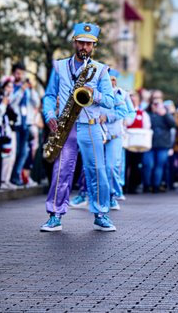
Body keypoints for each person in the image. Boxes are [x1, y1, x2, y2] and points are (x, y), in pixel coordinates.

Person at [40, 23, 116, 232]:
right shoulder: (59, 66)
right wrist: (50, 115)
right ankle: (55, 215)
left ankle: (101, 214)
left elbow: (110, 101)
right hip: (67, 125)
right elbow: (49, 96)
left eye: (89, 44)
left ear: (94, 46)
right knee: (61, 171)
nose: (84, 47)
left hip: (90, 125)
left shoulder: (101, 70)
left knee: (97, 171)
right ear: (74, 42)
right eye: (81, 42)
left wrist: (93, 94)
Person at [101, 69, 134, 207]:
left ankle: (113, 194)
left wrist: (127, 120)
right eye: (108, 79)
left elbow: (130, 112)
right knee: (95, 168)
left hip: (115, 134)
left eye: (113, 79)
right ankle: (92, 195)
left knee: (111, 167)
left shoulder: (122, 94)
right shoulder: (96, 92)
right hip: (98, 133)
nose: (111, 82)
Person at [8, 63, 40, 187]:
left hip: (26, 123)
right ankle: (10, 177)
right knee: (15, 152)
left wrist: (31, 89)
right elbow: (12, 102)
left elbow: (36, 103)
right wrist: (21, 90)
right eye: (17, 73)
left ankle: (17, 176)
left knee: (23, 153)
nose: (19, 75)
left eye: (21, 73)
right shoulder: (11, 86)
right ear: (13, 73)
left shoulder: (27, 88)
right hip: (15, 123)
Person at [144, 95, 175, 193]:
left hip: (163, 144)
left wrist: (165, 114)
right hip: (149, 144)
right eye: (154, 103)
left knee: (159, 166)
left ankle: (156, 186)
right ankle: (147, 185)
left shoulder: (166, 114)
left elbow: (173, 124)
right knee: (148, 165)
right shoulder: (147, 114)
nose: (156, 106)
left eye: (158, 104)